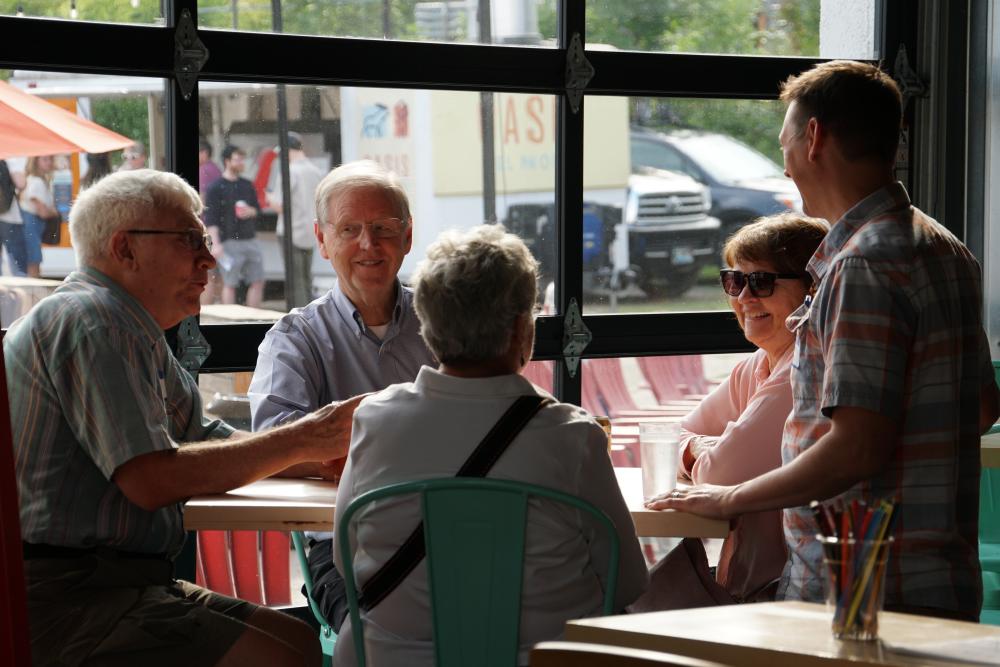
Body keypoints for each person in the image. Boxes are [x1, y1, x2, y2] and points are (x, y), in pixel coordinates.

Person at [649, 60, 1000, 622]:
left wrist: (729, 497)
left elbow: (857, 447)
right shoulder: (946, 249)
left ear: (813, 138)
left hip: (861, 590)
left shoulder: (862, 265)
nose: (784, 163)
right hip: (938, 580)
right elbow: (981, 405)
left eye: (785, 140)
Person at [5, 168, 364, 667]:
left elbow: (204, 436)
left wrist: (319, 455)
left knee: (299, 643)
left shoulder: (129, 325)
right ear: (125, 249)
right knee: (285, 657)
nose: (209, 259)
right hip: (67, 600)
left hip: (118, 584)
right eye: (189, 240)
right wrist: (302, 439)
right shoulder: (94, 321)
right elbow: (151, 478)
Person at [331, 224, 648, 666]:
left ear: (427, 326)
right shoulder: (572, 437)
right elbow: (627, 580)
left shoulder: (375, 421)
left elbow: (346, 562)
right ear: (522, 328)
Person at [249, 160, 435, 626]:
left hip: (452, 529)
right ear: (322, 239)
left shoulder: (444, 323)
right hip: (345, 544)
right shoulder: (295, 338)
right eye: (349, 229)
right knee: (387, 636)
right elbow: (276, 447)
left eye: (382, 228)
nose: (368, 245)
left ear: (407, 236)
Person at [675, 213, 826, 602]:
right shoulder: (756, 365)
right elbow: (676, 436)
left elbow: (721, 474)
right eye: (734, 281)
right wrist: (700, 448)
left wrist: (707, 451)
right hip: (749, 586)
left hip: (787, 593)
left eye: (761, 281)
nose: (743, 298)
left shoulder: (804, 370)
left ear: (812, 291)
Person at [268, 131, 325, 307]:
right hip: (310, 232)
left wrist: (269, 197)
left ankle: (299, 320)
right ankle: (311, 316)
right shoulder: (316, 171)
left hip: (290, 232)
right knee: (306, 278)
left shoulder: (289, 171)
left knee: (295, 282)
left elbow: (279, 205)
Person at [204, 144, 265, 307]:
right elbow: (211, 219)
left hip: (250, 239)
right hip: (228, 240)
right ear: (227, 161)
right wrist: (215, 244)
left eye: (242, 159)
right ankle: (230, 320)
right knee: (230, 284)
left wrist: (250, 211)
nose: (241, 163)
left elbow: (257, 209)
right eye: (237, 159)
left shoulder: (247, 184)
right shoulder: (215, 188)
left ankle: (254, 318)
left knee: (257, 281)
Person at [19, 154, 56, 277]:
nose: (49, 162)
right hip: (31, 224)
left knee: (32, 261)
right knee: (34, 262)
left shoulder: (33, 179)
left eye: (50, 159)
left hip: (30, 224)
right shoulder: (36, 181)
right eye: (45, 159)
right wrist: (55, 212)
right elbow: (43, 213)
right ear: (35, 162)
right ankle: (33, 294)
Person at [198, 139, 223, 305]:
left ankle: (205, 310)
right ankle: (220, 304)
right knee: (218, 272)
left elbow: (201, 198)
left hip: (206, 225)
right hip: (220, 225)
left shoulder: (204, 170)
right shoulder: (215, 168)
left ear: (204, 153)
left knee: (207, 273)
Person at [0, 158, 27, 276]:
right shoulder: (10, 158)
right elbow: (21, 183)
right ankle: (21, 290)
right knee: (17, 261)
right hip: (9, 218)